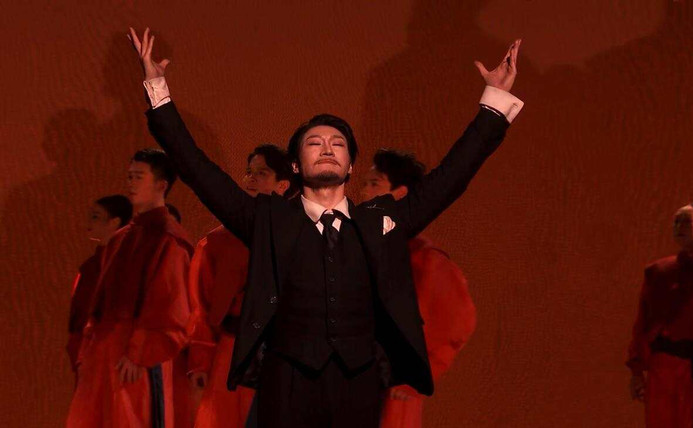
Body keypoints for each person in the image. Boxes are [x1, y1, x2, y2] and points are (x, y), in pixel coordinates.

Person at [129, 27, 523, 427]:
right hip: (284, 384)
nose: (328, 148)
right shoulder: (269, 220)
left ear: (350, 166)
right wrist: (158, 90)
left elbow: (451, 178)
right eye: (315, 143)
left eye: (338, 144)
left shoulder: (381, 223)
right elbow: (198, 170)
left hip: (360, 386)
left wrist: (493, 103)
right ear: (295, 166)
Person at [66, 148, 193, 428]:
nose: (131, 183)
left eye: (139, 176)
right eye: (129, 176)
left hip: (137, 355)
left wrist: (140, 353)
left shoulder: (169, 240)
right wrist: (87, 349)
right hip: (104, 351)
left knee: (133, 418)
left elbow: (170, 305)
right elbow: (100, 299)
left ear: (161, 185)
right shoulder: (121, 238)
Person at [361, 149, 476, 428]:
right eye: (365, 184)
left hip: (385, 397)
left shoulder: (424, 258)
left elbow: (459, 321)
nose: (364, 192)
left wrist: (418, 375)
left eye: (374, 184)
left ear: (399, 194)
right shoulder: (361, 248)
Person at [188, 144, 292, 428]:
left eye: (262, 173)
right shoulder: (216, 242)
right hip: (230, 350)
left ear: (283, 185)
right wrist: (200, 359)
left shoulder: (300, 237)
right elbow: (200, 304)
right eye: (249, 172)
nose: (251, 178)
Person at [628, 203, 693, 427]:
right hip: (664, 367)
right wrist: (637, 370)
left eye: (686, 221)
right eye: (676, 222)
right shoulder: (659, 272)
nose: (679, 227)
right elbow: (643, 322)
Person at [67, 195, 132, 375]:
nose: (89, 222)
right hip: (85, 347)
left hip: (109, 349)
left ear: (114, 222)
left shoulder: (125, 263)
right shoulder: (91, 266)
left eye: (95, 216)